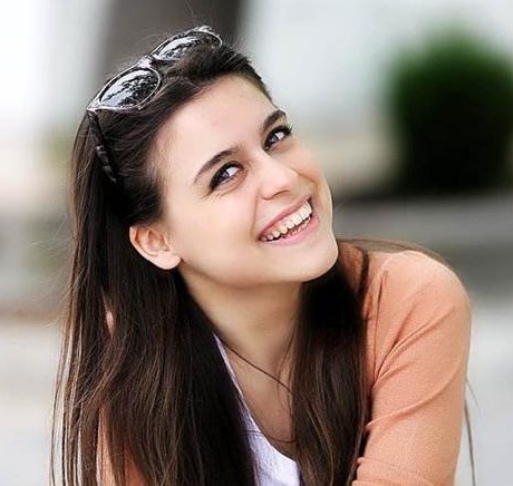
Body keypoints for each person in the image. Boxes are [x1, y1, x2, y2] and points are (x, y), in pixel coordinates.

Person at [50, 25, 474, 486]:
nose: (282, 178)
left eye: (275, 137)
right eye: (226, 174)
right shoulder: (132, 360)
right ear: (157, 241)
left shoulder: (406, 300)